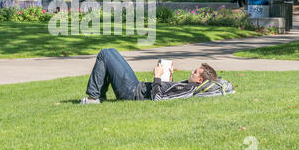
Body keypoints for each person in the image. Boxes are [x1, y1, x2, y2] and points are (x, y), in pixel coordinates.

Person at [80, 48, 234, 105]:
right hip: (135, 87)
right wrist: (168, 77)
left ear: (200, 80)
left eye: (195, 72)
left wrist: (157, 77)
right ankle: (98, 96)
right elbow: (168, 92)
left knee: (106, 54)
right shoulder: (188, 85)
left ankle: (94, 98)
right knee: (110, 53)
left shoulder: (188, 89)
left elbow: (158, 99)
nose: (192, 72)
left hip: (132, 91)